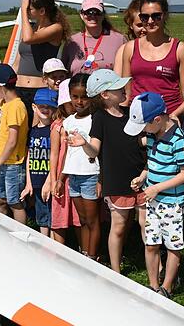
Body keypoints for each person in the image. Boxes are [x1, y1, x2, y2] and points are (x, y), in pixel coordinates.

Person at [69, 69, 145, 273]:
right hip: (116, 179)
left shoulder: (130, 113)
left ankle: (154, 264)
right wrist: (83, 143)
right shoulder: (100, 118)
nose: (123, 90)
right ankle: (115, 270)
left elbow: (140, 141)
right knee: (118, 225)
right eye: (118, 88)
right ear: (105, 94)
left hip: (141, 177)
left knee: (146, 225)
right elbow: (94, 149)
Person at [125, 92, 184, 298]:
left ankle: (167, 286)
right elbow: (152, 163)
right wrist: (143, 177)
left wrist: (157, 188)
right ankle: (153, 285)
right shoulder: (153, 136)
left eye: (144, 126)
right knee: (151, 243)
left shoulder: (178, 140)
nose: (143, 131)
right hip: (152, 199)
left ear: (156, 119)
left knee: (172, 246)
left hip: (171, 202)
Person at [122, 0, 184, 121]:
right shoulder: (130, 48)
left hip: (169, 118)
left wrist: (172, 117)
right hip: (138, 120)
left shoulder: (179, 48)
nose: (150, 21)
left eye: (156, 16)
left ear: (165, 15)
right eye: (145, 17)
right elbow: (126, 94)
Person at [59, 73, 101, 260]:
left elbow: (99, 151)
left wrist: (101, 178)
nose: (79, 101)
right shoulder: (68, 121)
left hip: (91, 174)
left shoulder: (96, 119)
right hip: (73, 175)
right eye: (75, 97)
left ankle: (93, 256)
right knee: (82, 220)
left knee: (92, 220)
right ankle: (85, 254)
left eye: (84, 97)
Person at [15, 0, 70, 121]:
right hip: (19, 87)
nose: (27, 11)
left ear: (42, 11)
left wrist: (22, 10)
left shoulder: (56, 28)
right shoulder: (31, 28)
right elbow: (18, 59)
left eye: (30, 9)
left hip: (40, 88)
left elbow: (28, 39)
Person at [0, 64, 29, 222]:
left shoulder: (16, 107)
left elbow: (12, 140)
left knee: (14, 202)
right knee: (1, 200)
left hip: (13, 164)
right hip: (3, 162)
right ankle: (0, 232)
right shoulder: (5, 104)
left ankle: (20, 237)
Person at [46, 78, 82, 246]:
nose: (74, 105)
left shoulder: (83, 121)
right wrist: (53, 179)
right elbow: (54, 154)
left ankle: (84, 251)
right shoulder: (58, 125)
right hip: (61, 176)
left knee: (79, 216)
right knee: (59, 215)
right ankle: (58, 251)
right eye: (69, 102)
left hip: (77, 172)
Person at [62, 0, 126, 75]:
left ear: (103, 15)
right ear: (81, 15)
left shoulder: (119, 40)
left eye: (97, 12)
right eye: (88, 12)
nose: (92, 16)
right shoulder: (71, 42)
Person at [26, 88, 57, 236]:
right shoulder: (32, 131)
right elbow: (29, 156)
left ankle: (53, 246)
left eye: (50, 106)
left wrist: (49, 181)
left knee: (53, 216)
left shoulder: (54, 130)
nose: (45, 109)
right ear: (34, 107)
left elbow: (57, 157)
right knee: (42, 216)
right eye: (41, 106)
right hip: (36, 180)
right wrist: (28, 182)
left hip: (50, 181)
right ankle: (44, 244)